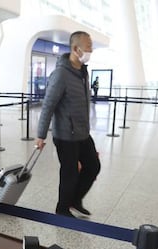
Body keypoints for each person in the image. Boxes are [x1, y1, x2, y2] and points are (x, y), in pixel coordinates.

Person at [36, 31, 101, 218]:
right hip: (65, 135)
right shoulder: (60, 74)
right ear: (75, 48)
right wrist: (40, 135)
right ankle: (62, 209)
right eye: (88, 48)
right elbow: (48, 106)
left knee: (93, 166)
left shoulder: (83, 72)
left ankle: (75, 200)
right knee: (69, 174)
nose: (90, 51)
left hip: (82, 133)